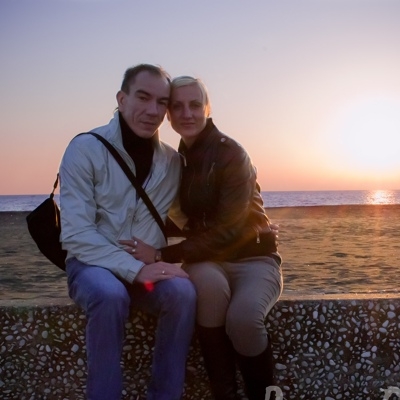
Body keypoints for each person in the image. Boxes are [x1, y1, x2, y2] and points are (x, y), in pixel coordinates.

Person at [120, 76, 283, 400]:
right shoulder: (174, 159)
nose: (187, 113)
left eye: (194, 105)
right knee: (209, 290)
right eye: (177, 106)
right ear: (168, 115)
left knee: (243, 319)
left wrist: (161, 255)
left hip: (254, 257)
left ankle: (266, 395)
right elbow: (177, 214)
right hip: (207, 259)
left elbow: (229, 228)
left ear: (207, 108)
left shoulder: (231, 153)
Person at [59, 65, 197, 400]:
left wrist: (252, 224)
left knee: (183, 293)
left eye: (161, 102)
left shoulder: (171, 162)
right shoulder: (85, 148)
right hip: (92, 267)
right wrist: (135, 269)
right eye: (143, 97)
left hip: (145, 273)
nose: (152, 110)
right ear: (122, 99)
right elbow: (76, 234)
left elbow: (192, 216)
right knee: (110, 295)